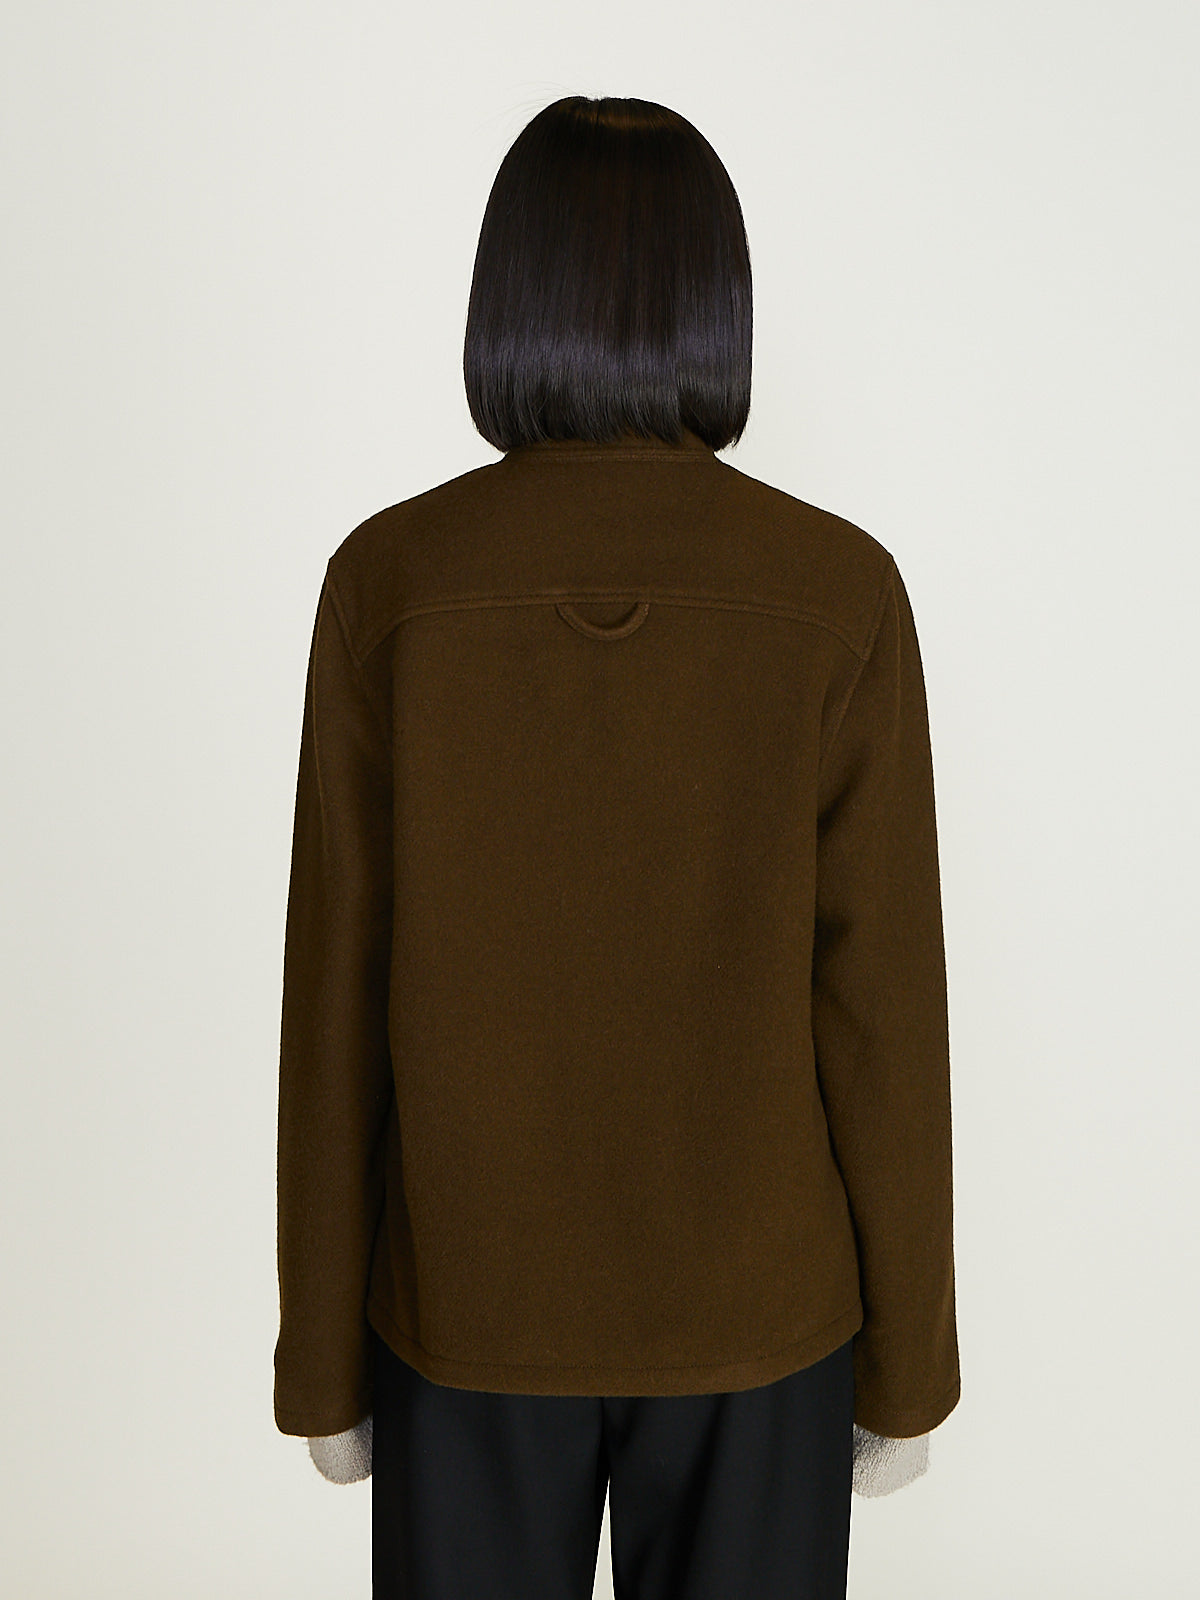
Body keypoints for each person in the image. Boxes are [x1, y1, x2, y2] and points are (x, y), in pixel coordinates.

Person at [274, 94, 960, 1596]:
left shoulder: (391, 582)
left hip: (465, 1303)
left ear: (504, 298)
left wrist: (320, 1354)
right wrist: (910, 1361)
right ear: (720, 301)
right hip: (761, 1314)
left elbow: (336, 996)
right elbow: (883, 1012)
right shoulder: (837, 589)